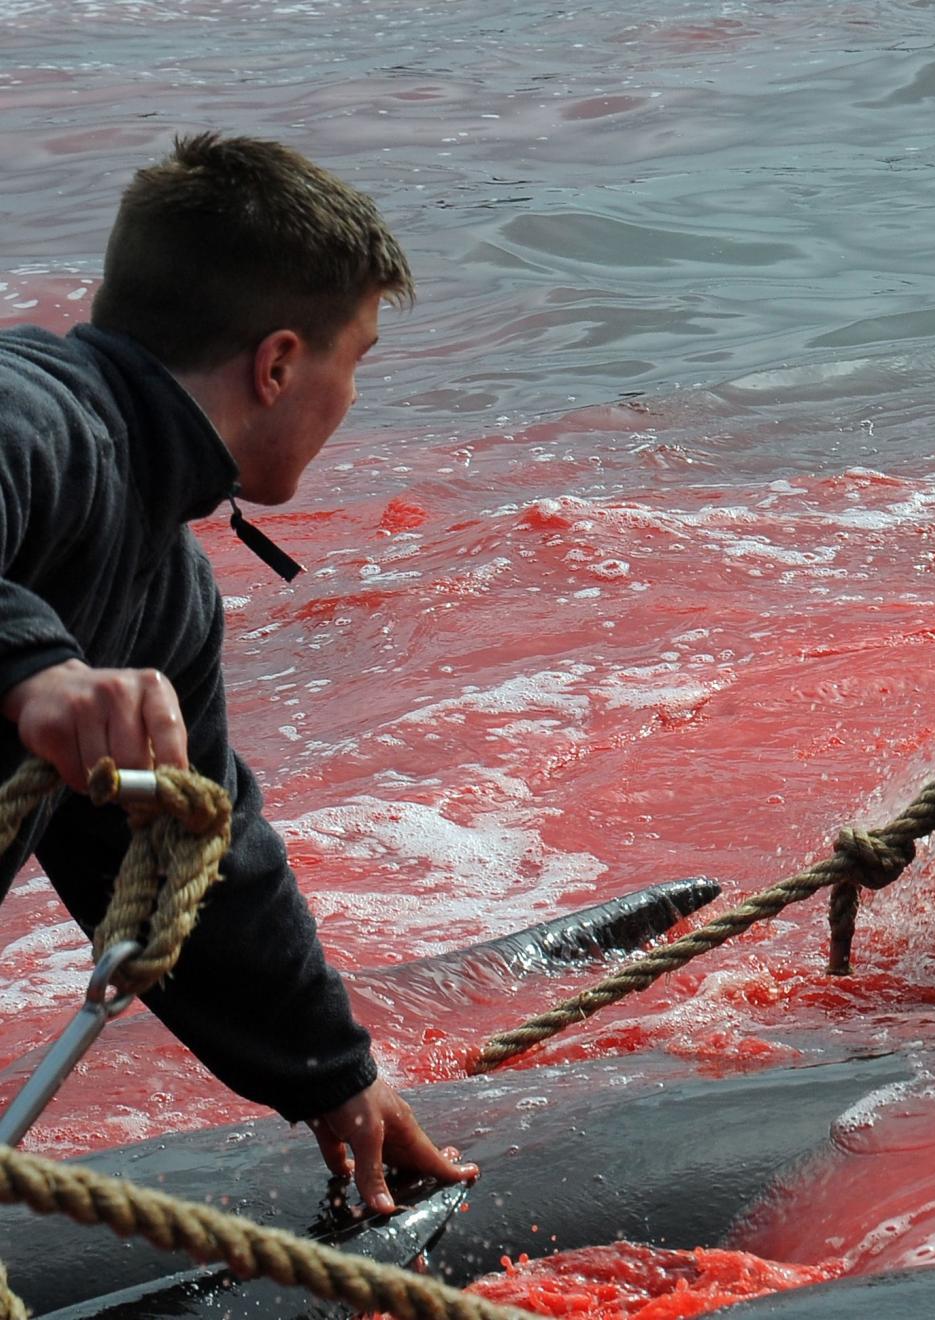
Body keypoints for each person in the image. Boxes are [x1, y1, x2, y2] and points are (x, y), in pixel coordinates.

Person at [0, 133, 474, 1212]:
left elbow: (197, 861)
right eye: (352, 363)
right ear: (278, 365)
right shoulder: (34, 413)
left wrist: (331, 1076)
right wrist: (34, 669)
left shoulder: (164, 590)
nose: (347, 401)